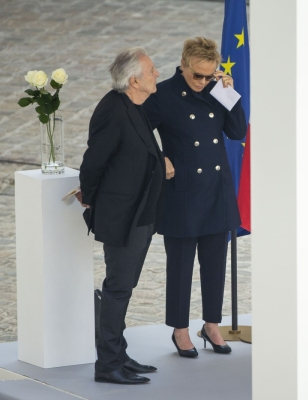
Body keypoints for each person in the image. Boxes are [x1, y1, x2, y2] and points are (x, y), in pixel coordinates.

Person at [143, 37, 247, 357]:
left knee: (215, 264)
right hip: (182, 191)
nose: (202, 82)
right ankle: (180, 329)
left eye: (208, 75)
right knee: (181, 266)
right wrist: (160, 157)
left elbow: (238, 132)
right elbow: (138, 130)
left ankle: (211, 325)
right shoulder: (163, 94)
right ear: (183, 64)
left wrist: (229, 94)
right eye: (196, 75)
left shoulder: (218, 90)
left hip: (216, 189)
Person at [77, 47, 165, 384]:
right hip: (122, 217)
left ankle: (119, 354)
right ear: (134, 80)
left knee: (124, 287)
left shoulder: (134, 104)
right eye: (152, 70)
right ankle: (108, 364)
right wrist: (94, 202)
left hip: (140, 214)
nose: (157, 74)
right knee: (117, 288)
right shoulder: (113, 111)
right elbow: (93, 163)